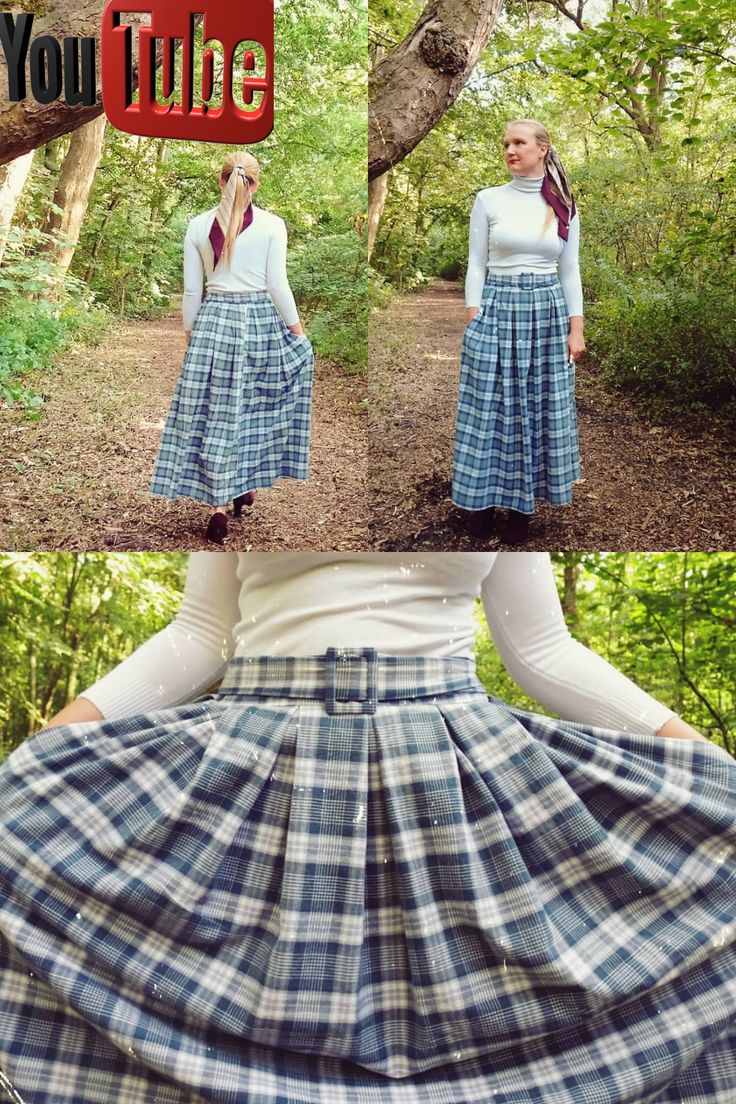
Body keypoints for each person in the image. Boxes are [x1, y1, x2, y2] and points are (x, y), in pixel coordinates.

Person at [1, 552, 734, 1104]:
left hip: (453, 773)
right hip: (250, 764)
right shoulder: (248, 449)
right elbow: (199, 635)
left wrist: (701, 760)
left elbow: (540, 648)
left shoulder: (500, 456)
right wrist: (47, 750)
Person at [150, 151, 314, 545]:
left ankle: (219, 506)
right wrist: (297, 330)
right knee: (253, 408)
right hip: (259, 321)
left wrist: (191, 331)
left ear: (220, 181)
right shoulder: (273, 226)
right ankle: (241, 486)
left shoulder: (197, 225)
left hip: (214, 322)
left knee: (215, 412)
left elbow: (193, 290)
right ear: (255, 184)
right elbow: (277, 285)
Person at [452, 120, 584, 545]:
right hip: (497, 305)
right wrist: (474, 312)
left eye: (519, 142)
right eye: (505, 142)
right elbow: (476, 263)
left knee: (538, 405)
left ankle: (523, 508)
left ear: (542, 149)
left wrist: (575, 327)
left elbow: (569, 269)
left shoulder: (563, 204)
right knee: (488, 404)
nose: (510, 149)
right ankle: (481, 502)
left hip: (547, 311)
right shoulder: (488, 199)